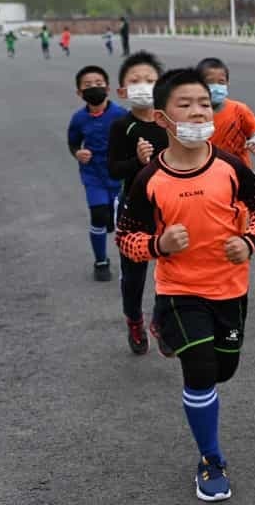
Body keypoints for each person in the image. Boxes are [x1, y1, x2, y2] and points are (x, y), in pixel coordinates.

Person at [116, 67, 255, 502]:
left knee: (224, 368)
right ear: (163, 119)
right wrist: (158, 244)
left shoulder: (229, 166)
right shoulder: (149, 179)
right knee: (201, 371)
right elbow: (126, 238)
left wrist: (250, 240)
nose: (198, 111)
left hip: (230, 288)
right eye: (184, 105)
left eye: (203, 103)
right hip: (180, 289)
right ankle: (210, 459)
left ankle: (174, 337)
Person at [107, 51, 170, 355]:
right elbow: (114, 169)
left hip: (170, 208)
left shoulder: (170, 123)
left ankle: (161, 318)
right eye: (135, 81)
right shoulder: (122, 126)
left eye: (150, 80)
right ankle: (134, 319)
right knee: (134, 275)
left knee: (172, 268)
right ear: (123, 91)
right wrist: (138, 160)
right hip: (135, 210)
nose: (143, 85)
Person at [67, 65, 128, 282]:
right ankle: (101, 261)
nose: (94, 88)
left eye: (99, 84)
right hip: (93, 175)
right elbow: (73, 143)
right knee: (98, 215)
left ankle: (129, 260)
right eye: (88, 85)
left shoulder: (121, 115)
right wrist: (78, 153)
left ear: (108, 88)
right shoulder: (78, 119)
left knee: (121, 220)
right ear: (79, 93)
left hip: (119, 174)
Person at [197, 57, 255, 169]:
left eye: (221, 82)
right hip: (206, 172)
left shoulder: (239, 110)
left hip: (239, 171)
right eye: (210, 82)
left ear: (227, 83)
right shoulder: (192, 114)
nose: (216, 87)